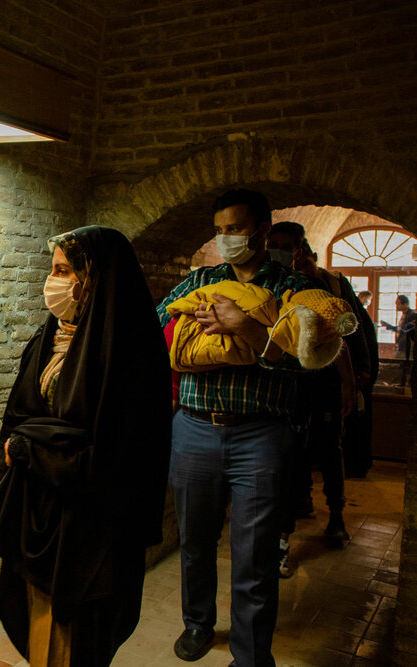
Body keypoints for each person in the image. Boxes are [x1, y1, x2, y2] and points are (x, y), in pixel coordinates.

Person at [0, 226, 172, 667]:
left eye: (65, 271)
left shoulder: (129, 355)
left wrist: (30, 451)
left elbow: (115, 459)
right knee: (39, 630)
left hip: (92, 523)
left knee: (77, 639)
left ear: (95, 276)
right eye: (54, 270)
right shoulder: (49, 339)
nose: (55, 283)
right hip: (37, 510)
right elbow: (17, 421)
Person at [156, 189, 312, 666]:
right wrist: (192, 329)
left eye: (235, 229)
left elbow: (306, 365)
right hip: (195, 428)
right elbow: (160, 325)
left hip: (260, 433)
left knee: (255, 553)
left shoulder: (290, 289)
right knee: (195, 541)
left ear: (262, 231)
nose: (226, 239)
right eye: (219, 230)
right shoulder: (200, 280)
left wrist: (251, 329)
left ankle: (249, 652)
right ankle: (198, 624)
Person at [267, 225, 372, 549]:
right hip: (286, 383)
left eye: (287, 246)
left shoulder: (315, 286)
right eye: (275, 245)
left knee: (328, 448)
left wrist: (348, 383)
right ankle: (288, 526)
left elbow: (338, 338)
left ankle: (336, 514)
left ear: (301, 249)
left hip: (321, 380)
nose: (281, 251)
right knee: (288, 454)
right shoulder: (266, 283)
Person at [381, 295, 417, 385]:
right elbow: (401, 329)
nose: (396, 306)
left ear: (405, 304)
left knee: (405, 367)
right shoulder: (404, 315)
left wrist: (391, 327)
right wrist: (389, 326)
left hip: (407, 347)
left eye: (398, 304)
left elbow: (406, 331)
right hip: (402, 346)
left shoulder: (412, 315)